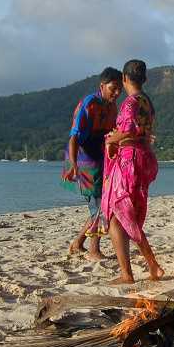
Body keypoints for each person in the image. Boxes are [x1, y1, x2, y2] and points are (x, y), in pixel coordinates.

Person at [101, 60, 164, 284]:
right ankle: (153, 266)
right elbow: (139, 131)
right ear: (144, 80)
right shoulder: (147, 102)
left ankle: (127, 274)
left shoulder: (130, 102)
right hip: (145, 158)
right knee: (131, 216)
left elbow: (127, 129)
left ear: (125, 79)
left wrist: (110, 138)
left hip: (131, 160)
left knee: (117, 216)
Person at [63, 67, 121, 261]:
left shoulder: (113, 107)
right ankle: (94, 250)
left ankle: (78, 243)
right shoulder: (88, 104)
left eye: (119, 88)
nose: (117, 93)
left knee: (103, 205)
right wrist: (73, 166)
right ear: (102, 86)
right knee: (98, 207)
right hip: (84, 160)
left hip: (103, 160)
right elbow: (73, 138)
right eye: (113, 88)